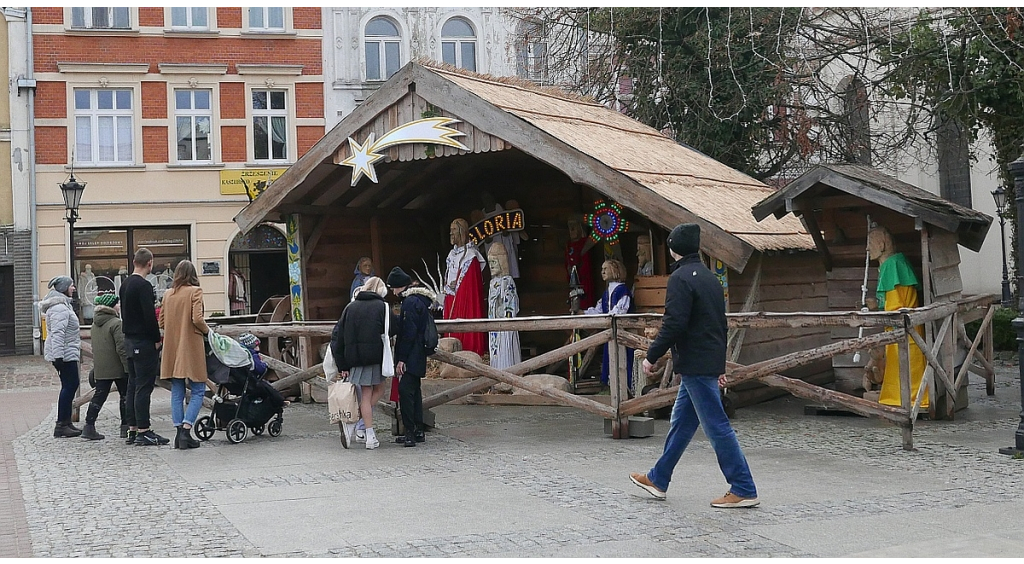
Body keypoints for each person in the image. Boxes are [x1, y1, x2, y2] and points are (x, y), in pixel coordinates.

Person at [630, 223, 759, 508]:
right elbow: (719, 325)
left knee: (716, 426)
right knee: (682, 423)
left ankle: (743, 487)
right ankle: (659, 478)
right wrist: (720, 365)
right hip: (704, 362)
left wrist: (651, 355)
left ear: (674, 248)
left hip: (695, 364)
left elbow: (674, 323)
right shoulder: (711, 279)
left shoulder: (680, 279)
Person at [330, 276, 397, 450]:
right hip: (376, 356)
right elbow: (394, 328)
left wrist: (342, 364)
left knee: (368, 394)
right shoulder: (382, 306)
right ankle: (367, 433)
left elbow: (339, 337)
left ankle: (356, 425)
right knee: (373, 393)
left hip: (355, 358)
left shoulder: (350, 307)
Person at [868, 224, 928, 409]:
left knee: (904, 367)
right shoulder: (894, 263)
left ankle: (907, 399)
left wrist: (878, 308)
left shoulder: (891, 266)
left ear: (882, 244)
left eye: (870, 243)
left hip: (903, 328)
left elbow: (895, 305)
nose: (867, 248)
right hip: (907, 328)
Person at [120, 248, 170, 446]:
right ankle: (144, 430)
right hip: (143, 341)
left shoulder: (124, 284)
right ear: (149, 262)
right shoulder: (144, 286)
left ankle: (132, 429)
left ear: (134, 262)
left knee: (132, 385)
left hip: (129, 340)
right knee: (144, 387)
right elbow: (150, 317)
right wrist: (157, 338)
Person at [159, 260, 211, 450]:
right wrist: (208, 332)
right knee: (198, 388)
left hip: (172, 347)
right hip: (191, 345)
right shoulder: (195, 291)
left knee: (177, 390)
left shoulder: (168, 294)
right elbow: (197, 318)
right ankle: (187, 429)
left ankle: (178, 431)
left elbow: (162, 322)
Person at [387, 266, 436, 447]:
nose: (392, 291)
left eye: (393, 287)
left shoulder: (409, 303)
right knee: (414, 392)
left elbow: (409, 333)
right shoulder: (421, 301)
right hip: (419, 353)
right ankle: (418, 430)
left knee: (406, 393)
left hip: (411, 354)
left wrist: (402, 358)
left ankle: (410, 432)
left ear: (400, 286)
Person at [82, 292, 130, 441]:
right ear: (111, 306)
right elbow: (121, 348)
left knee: (99, 396)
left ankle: (88, 426)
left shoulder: (95, 324)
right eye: (117, 303)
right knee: (125, 395)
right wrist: (128, 367)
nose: (120, 306)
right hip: (118, 367)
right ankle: (126, 427)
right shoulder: (116, 323)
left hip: (101, 367)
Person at [41, 275, 82, 438]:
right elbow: (58, 333)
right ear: (64, 288)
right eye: (71, 285)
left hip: (66, 352)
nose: (73, 288)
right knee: (69, 386)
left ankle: (66, 422)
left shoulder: (63, 305)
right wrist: (58, 357)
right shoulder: (59, 308)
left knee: (70, 385)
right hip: (64, 354)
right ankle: (61, 424)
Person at [583, 259, 635, 390]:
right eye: (602, 269)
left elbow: (620, 310)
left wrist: (608, 318)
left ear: (615, 270)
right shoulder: (607, 293)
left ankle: (626, 387)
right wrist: (583, 313)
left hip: (623, 333)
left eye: (606, 268)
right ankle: (613, 387)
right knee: (611, 359)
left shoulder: (622, 291)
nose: (603, 271)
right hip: (611, 333)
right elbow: (599, 310)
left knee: (624, 360)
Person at [443, 218, 486, 356]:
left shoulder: (470, 255)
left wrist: (458, 288)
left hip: (464, 299)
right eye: (450, 230)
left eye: (454, 230)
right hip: (451, 298)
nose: (451, 233)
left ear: (462, 231)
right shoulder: (452, 254)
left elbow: (470, 283)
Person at [486, 241, 521, 370]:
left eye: (494, 262)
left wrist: (506, 316)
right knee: (495, 350)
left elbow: (511, 303)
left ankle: (507, 373)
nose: (491, 266)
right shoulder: (492, 283)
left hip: (504, 325)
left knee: (505, 349)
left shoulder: (507, 281)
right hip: (494, 323)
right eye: (489, 263)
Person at [237, 332, 289, 419]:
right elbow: (260, 369)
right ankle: (280, 401)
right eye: (256, 346)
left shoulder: (240, 355)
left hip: (240, 382)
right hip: (252, 383)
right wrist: (264, 364)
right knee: (269, 389)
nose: (258, 348)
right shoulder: (253, 355)